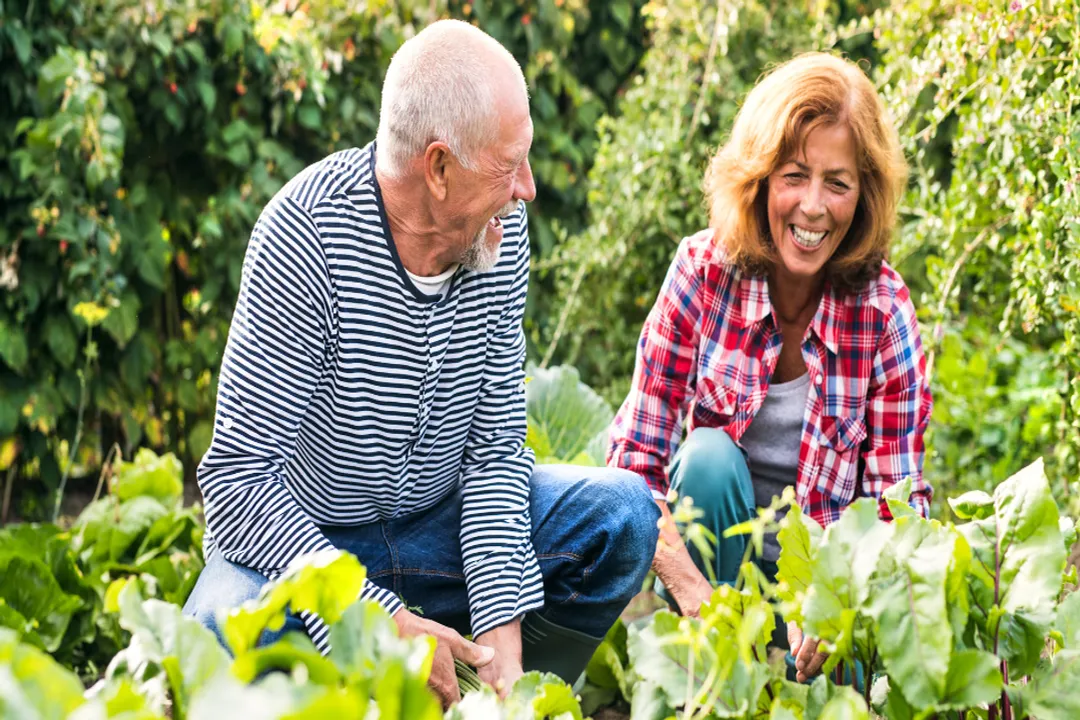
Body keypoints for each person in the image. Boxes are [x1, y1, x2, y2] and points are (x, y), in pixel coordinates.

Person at [182, 19, 659, 707]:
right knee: (217, 633)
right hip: (312, 547)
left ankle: (476, 689)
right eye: (508, 164)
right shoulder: (307, 236)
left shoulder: (497, 229)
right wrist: (376, 616)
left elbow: (495, 453)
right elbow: (237, 483)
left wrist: (504, 649)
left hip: (440, 535)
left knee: (624, 517)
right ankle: (379, 674)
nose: (525, 187)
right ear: (438, 168)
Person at [607, 52, 932, 684]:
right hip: (713, 584)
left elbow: (897, 507)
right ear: (759, 177)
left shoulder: (883, 311)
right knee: (706, 456)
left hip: (825, 607)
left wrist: (837, 601)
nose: (812, 208)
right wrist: (691, 588)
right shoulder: (702, 275)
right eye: (794, 175)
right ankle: (712, 680)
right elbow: (634, 466)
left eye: (837, 183)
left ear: (862, 196)